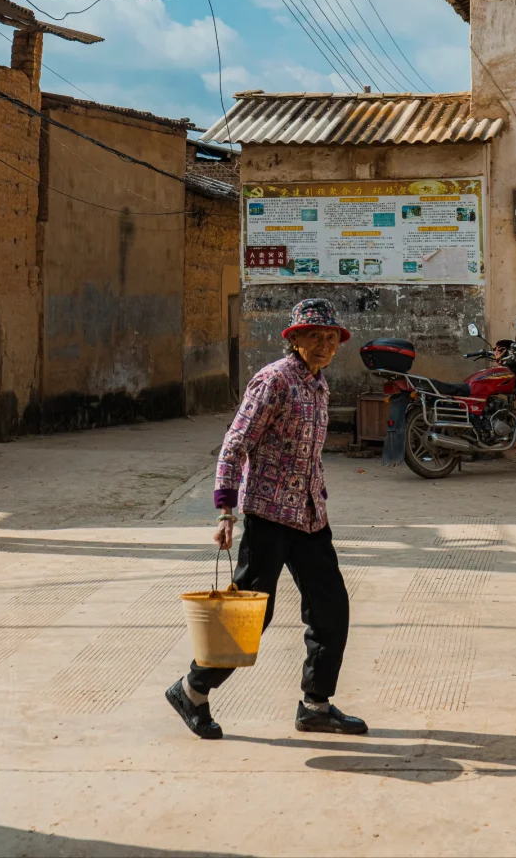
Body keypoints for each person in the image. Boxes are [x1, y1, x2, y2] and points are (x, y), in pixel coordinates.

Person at [165, 297, 368, 740]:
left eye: (330, 337)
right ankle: (191, 690)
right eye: (313, 336)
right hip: (270, 515)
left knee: (331, 609)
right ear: (294, 341)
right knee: (250, 616)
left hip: (311, 515)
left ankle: (315, 705)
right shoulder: (273, 381)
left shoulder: (319, 384)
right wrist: (225, 510)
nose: (323, 344)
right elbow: (235, 445)